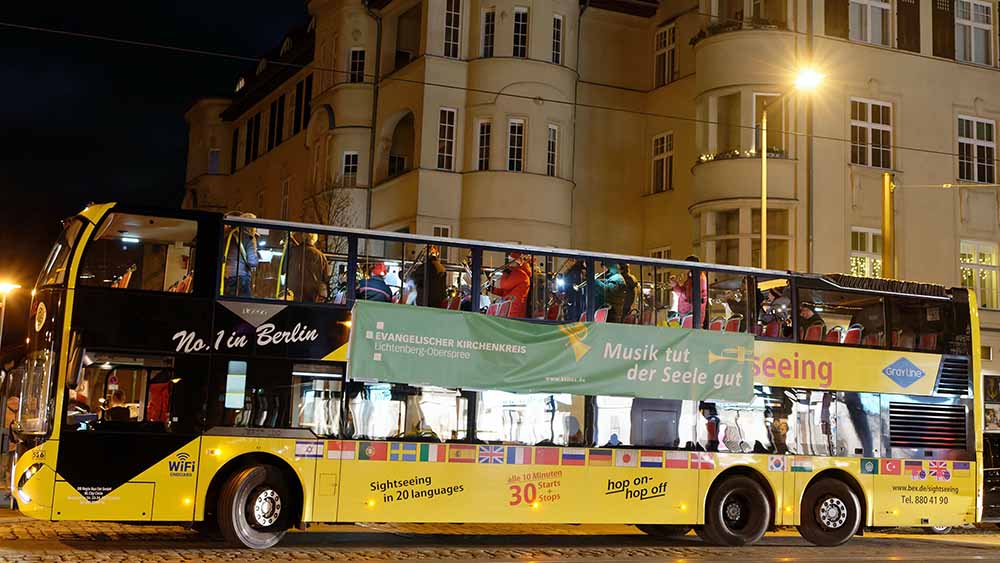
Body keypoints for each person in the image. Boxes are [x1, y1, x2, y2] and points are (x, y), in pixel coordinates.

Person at [222, 212, 260, 296]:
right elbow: (252, 262)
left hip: (227, 277)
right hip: (241, 277)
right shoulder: (248, 238)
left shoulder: (228, 236)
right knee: (243, 307)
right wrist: (256, 254)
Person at [286, 232, 329, 302]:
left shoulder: (292, 251)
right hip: (311, 296)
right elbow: (325, 278)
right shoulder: (321, 256)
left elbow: (284, 270)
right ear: (314, 240)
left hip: (292, 295)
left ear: (303, 237)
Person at [670, 255, 708, 324]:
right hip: (687, 314)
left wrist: (691, 315)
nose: (685, 269)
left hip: (690, 315)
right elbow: (683, 293)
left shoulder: (698, 278)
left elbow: (692, 297)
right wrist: (675, 285)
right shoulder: (691, 279)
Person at [492, 253, 532, 318]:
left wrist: (504, 274)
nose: (509, 263)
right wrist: (493, 289)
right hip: (510, 307)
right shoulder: (517, 273)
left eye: (511, 260)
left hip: (513, 309)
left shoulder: (520, 274)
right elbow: (503, 291)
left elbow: (503, 285)